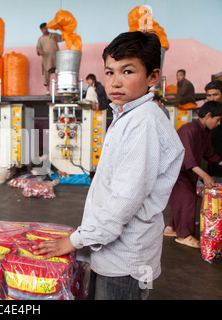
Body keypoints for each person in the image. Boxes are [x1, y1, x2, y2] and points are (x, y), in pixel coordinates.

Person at [32, 31, 185, 300]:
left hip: (125, 263)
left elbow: (123, 200)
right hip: (123, 254)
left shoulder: (143, 122)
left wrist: (74, 241)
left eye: (127, 71)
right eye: (110, 72)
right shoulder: (128, 115)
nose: (115, 81)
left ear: (152, 77)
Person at [164, 101, 222, 248]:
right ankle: (184, 235)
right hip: (177, 173)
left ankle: (171, 228)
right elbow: (188, 159)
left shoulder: (204, 132)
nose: (219, 123)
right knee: (187, 199)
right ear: (208, 115)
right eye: (218, 119)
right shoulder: (189, 130)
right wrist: (205, 175)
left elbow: (209, 154)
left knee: (182, 202)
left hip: (189, 174)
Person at [36, 22, 63, 95]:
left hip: (56, 58)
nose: (45, 29)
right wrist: (39, 51)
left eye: (46, 28)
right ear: (41, 30)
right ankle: (47, 90)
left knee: (58, 73)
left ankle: (59, 89)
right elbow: (38, 49)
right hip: (47, 59)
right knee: (46, 74)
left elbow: (62, 38)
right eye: (43, 28)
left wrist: (67, 33)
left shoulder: (53, 35)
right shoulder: (40, 39)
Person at [205, 81, 222, 178]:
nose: (211, 98)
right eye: (208, 95)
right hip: (212, 166)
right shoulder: (206, 113)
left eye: (215, 95)